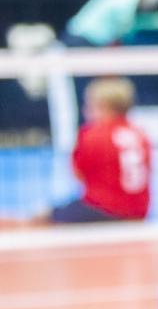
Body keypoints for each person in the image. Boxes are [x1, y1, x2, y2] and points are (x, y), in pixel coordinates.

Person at [51, 77, 151, 222]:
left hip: (103, 211)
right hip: (139, 213)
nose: (85, 112)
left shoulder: (91, 134)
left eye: (89, 106)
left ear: (103, 106)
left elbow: (78, 174)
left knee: (42, 219)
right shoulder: (140, 134)